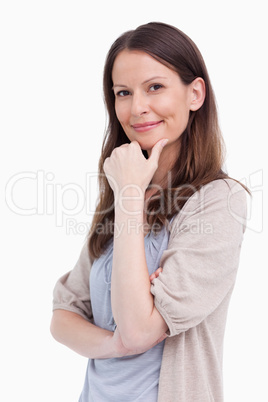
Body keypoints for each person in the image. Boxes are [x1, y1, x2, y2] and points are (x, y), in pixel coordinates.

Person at [50, 22, 248, 401]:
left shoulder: (219, 201)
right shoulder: (123, 194)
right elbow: (63, 316)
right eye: (123, 92)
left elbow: (141, 329)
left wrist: (128, 197)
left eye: (154, 87)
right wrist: (114, 344)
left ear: (195, 93)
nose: (137, 107)